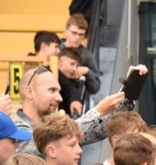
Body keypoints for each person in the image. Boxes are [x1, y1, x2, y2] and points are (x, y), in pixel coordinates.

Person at [12, 65, 142, 156]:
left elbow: (98, 131)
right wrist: (97, 111)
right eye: (52, 90)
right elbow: (46, 144)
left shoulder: (54, 129)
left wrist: (129, 90)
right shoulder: (15, 131)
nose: (60, 98)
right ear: (29, 92)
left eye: (59, 91)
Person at [60, 14, 101, 97]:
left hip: (74, 97)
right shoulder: (55, 50)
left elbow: (95, 88)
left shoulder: (87, 56)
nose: (77, 37)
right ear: (65, 32)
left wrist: (87, 71)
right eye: (74, 33)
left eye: (81, 34)